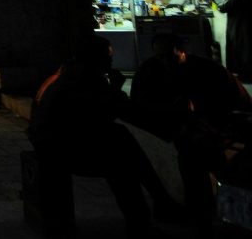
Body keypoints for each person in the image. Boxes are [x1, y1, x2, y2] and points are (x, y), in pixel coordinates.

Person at [28, 35, 186, 236]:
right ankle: (149, 213)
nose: (111, 61)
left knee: (120, 143)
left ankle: (157, 204)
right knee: (121, 160)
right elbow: (117, 111)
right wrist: (115, 88)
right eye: (107, 56)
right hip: (59, 148)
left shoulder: (66, 74)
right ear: (95, 57)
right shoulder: (85, 78)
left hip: (52, 142)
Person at [131, 33, 251, 225]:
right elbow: (139, 108)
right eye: (161, 57)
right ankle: (212, 213)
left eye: (170, 56)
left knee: (199, 159)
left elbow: (237, 100)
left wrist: (205, 119)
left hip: (207, 129)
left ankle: (212, 213)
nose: (165, 62)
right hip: (177, 132)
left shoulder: (206, 70)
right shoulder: (150, 72)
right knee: (198, 160)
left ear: (182, 52)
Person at [221, 0, 252, 81]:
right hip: (249, 31)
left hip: (237, 31)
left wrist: (222, 1)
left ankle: (242, 76)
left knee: (239, 53)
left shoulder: (233, 0)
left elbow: (221, 9)